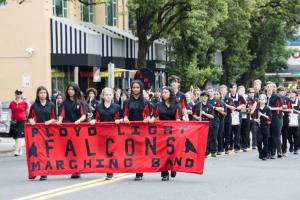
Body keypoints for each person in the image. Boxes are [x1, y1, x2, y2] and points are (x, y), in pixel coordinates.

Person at [90, 87, 123, 180]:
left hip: (114, 133)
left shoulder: (117, 107)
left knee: (111, 152)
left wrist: (119, 120)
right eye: (106, 95)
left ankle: (110, 171)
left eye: (110, 94)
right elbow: (96, 118)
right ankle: (106, 168)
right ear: (103, 96)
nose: (108, 96)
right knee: (103, 151)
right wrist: (93, 121)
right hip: (102, 133)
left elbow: (123, 118)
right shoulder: (99, 107)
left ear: (112, 96)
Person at [57, 83, 86, 178]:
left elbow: (84, 115)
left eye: (72, 89)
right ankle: (73, 169)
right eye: (69, 89)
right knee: (70, 150)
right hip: (68, 130)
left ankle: (78, 169)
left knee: (78, 150)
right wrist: (59, 121)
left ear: (76, 91)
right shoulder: (64, 103)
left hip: (78, 130)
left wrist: (79, 120)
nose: (70, 91)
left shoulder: (81, 102)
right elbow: (61, 115)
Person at [123, 80, 151, 181]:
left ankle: (139, 172)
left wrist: (147, 119)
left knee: (140, 151)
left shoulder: (146, 102)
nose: (135, 89)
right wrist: (125, 118)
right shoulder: (127, 102)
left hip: (142, 130)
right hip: (130, 130)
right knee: (132, 151)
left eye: (137, 87)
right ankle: (134, 168)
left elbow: (149, 115)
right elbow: (125, 114)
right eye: (134, 87)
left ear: (140, 89)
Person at [28, 86, 56, 181]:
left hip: (48, 132)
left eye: (44, 92)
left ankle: (44, 171)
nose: (43, 94)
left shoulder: (51, 105)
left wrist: (50, 121)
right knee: (39, 152)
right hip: (37, 132)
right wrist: (31, 120)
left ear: (47, 94)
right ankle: (40, 172)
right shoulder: (34, 106)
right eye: (41, 93)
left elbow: (55, 118)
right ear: (38, 94)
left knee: (46, 153)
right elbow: (30, 117)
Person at [153, 87, 181, 181]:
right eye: (162, 92)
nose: (163, 94)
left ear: (170, 94)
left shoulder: (177, 105)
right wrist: (151, 119)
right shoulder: (158, 105)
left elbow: (178, 119)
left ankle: (173, 168)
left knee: (172, 152)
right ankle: (164, 173)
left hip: (173, 132)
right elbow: (155, 117)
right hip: (162, 132)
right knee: (163, 153)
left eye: (165, 92)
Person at [192, 92, 214, 156]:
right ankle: (199, 152)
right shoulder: (197, 105)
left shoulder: (210, 106)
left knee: (207, 138)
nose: (204, 97)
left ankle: (207, 152)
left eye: (206, 96)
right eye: (203, 96)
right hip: (199, 123)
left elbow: (212, 116)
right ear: (201, 97)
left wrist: (204, 114)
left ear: (207, 97)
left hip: (207, 123)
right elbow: (194, 115)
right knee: (199, 138)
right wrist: (198, 118)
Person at [265, 81, 283, 159]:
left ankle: (278, 151)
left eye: (270, 86)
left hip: (276, 117)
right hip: (266, 117)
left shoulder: (277, 97)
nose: (269, 88)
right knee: (268, 135)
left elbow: (281, 107)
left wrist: (272, 108)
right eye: (268, 86)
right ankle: (269, 152)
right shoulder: (263, 96)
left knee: (276, 135)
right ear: (266, 87)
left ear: (273, 88)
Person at [9, 89, 29, 156]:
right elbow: (10, 112)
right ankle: (20, 149)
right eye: (17, 93)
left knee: (18, 135)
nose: (18, 94)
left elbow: (27, 112)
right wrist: (9, 119)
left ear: (21, 94)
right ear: (15, 94)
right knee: (15, 136)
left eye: (20, 93)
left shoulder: (24, 103)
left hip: (22, 121)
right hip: (14, 121)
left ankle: (16, 151)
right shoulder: (12, 103)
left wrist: (28, 120)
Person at [253, 94, 272, 161]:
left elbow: (270, 117)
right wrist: (256, 120)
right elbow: (253, 118)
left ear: (265, 100)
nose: (261, 100)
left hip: (266, 127)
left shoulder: (267, 108)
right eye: (260, 99)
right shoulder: (257, 109)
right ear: (259, 100)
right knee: (259, 141)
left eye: (263, 99)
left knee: (265, 141)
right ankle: (260, 153)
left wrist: (263, 115)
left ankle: (265, 155)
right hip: (259, 127)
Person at [229, 83, 246, 153]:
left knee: (237, 132)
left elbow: (244, 103)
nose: (234, 89)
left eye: (235, 88)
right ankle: (230, 146)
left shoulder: (239, 96)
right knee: (229, 132)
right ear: (230, 89)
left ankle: (237, 146)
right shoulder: (228, 96)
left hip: (238, 115)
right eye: (232, 88)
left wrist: (240, 106)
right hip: (230, 115)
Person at [214, 90, 227, 155]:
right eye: (215, 94)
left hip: (221, 120)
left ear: (219, 95)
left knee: (220, 134)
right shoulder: (212, 102)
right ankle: (214, 149)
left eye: (217, 94)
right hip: (214, 120)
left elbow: (225, 113)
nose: (216, 95)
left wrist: (218, 110)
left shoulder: (222, 103)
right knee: (214, 135)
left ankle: (220, 149)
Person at [287, 89, 299, 154]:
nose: (291, 94)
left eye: (293, 93)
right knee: (288, 135)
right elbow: (284, 109)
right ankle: (291, 144)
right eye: (290, 93)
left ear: (295, 94)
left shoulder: (298, 101)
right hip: (289, 119)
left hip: (297, 119)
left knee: (296, 135)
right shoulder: (287, 101)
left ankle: (296, 148)